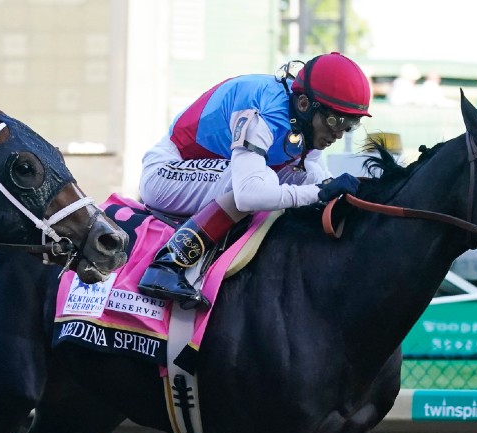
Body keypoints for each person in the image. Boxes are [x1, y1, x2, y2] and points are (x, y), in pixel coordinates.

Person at [137, 52, 371, 308]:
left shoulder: (306, 123)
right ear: (304, 104)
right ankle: (167, 265)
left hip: (209, 173)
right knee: (244, 182)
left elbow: (317, 180)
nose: (338, 133)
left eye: (349, 124)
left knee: (309, 175)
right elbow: (248, 195)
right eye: (335, 120)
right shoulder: (261, 111)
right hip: (166, 172)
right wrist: (319, 193)